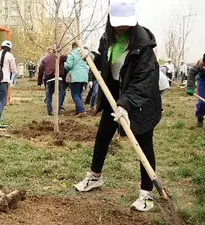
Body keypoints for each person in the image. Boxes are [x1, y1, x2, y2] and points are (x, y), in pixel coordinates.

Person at [74, 0, 162, 212]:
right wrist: (93, 57)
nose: (122, 27)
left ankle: (147, 193)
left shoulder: (143, 46)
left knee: (143, 141)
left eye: (126, 23)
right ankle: (95, 177)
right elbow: (106, 61)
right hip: (114, 95)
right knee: (103, 135)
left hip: (141, 100)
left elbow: (143, 81)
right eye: (118, 23)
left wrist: (126, 104)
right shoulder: (108, 38)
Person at [0, 40, 17, 130]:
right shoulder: (10, 56)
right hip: (2, 81)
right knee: (2, 101)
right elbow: (14, 70)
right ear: (10, 48)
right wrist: (13, 80)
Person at [65, 42, 89, 117]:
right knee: (78, 94)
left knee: (74, 94)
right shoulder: (84, 53)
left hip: (75, 76)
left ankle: (82, 111)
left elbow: (68, 66)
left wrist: (64, 64)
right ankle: (78, 111)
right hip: (84, 77)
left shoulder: (72, 54)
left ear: (73, 47)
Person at [38, 47, 63, 116]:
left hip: (49, 79)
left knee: (48, 96)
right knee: (61, 93)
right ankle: (58, 109)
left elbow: (41, 70)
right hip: (58, 78)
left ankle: (50, 111)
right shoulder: (60, 57)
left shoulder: (45, 59)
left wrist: (39, 82)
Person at [186, 54, 205, 128]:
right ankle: (200, 118)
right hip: (203, 81)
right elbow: (191, 73)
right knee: (202, 102)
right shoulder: (200, 63)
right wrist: (190, 87)